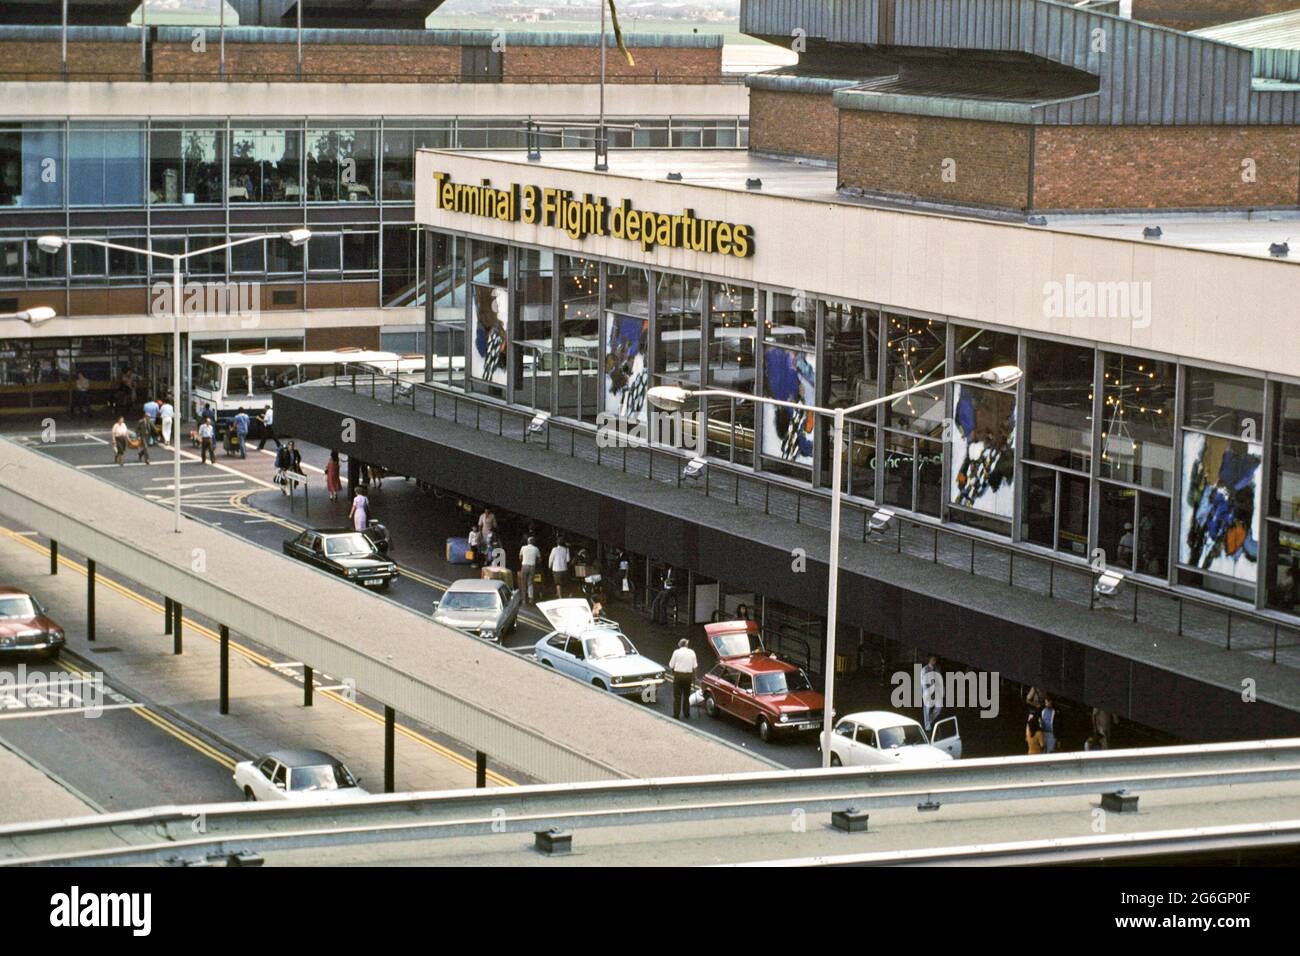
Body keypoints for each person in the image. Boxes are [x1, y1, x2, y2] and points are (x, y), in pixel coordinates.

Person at [668, 638, 698, 721]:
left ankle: (676, 714)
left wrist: (673, 673)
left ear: (680, 645)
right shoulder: (692, 652)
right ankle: (686, 713)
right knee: (686, 695)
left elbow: (671, 665)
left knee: (677, 696)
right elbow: (695, 667)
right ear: (686, 645)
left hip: (678, 675)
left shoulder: (676, 652)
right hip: (688, 676)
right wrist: (694, 676)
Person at [920, 654, 942, 733]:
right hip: (928, 692)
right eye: (933, 659)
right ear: (929, 660)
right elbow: (923, 682)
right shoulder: (925, 669)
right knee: (927, 710)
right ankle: (927, 728)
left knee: (939, 708)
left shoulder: (937, 669)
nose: (934, 661)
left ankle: (930, 720)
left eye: (935, 659)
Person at [518, 536, 541, 603]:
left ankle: (524, 599)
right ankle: (531, 598)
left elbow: (520, 557)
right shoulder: (536, 549)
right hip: (532, 566)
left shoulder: (523, 548)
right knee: (530, 583)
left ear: (528, 542)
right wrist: (535, 562)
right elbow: (539, 559)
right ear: (533, 542)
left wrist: (523, 561)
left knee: (523, 583)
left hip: (524, 566)